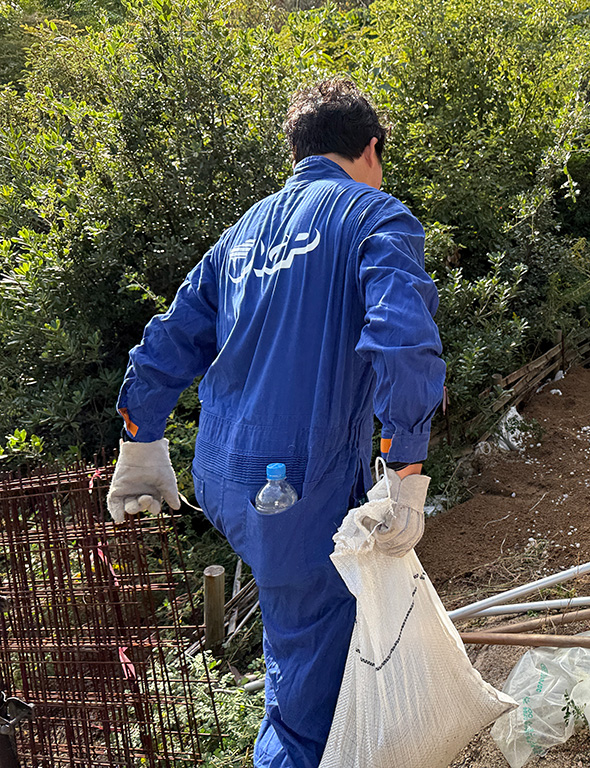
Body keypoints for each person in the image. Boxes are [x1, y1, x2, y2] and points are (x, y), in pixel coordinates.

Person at [104, 79, 446, 767]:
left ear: (297, 151)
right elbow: (403, 342)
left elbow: (170, 338)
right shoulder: (374, 216)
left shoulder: (243, 232)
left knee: (303, 636)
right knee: (302, 697)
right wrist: (406, 469)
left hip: (230, 476)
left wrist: (140, 441)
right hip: (300, 484)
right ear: (371, 149)